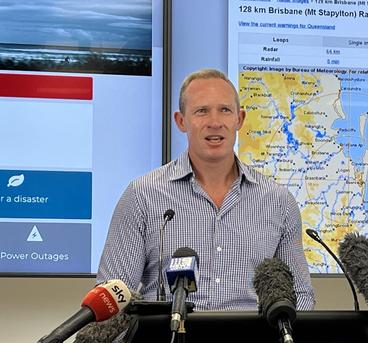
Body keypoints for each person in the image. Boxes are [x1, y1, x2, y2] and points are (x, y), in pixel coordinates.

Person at [97, 68, 315, 311]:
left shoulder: (278, 201)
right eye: (202, 111)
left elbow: (300, 295)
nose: (214, 122)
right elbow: (112, 296)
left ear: (239, 119)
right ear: (181, 121)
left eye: (225, 110)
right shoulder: (142, 195)